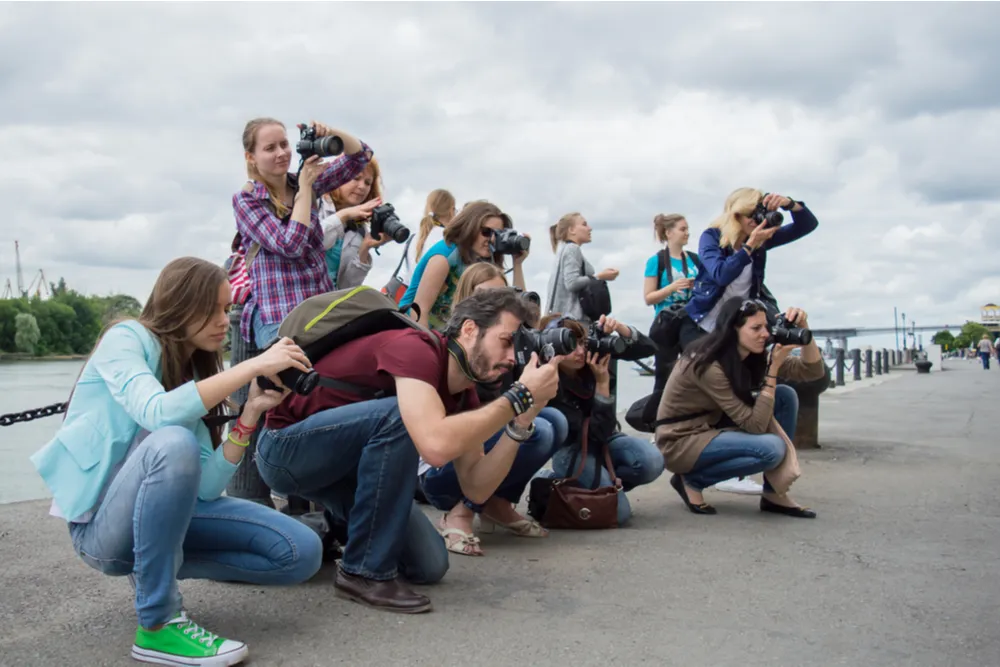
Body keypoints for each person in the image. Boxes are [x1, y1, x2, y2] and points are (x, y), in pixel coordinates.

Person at [30, 257, 323, 667]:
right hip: (101, 532)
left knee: (300, 552)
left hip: (155, 522)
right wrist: (252, 365)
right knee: (172, 441)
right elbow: (156, 413)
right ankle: (158, 623)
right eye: (215, 309)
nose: (225, 321)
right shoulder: (126, 338)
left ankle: (157, 566)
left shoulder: (188, 378)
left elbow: (204, 489)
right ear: (182, 303)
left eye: (228, 309)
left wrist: (249, 415)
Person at [255, 288, 561, 613]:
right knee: (397, 415)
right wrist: (518, 396)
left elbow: (475, 487)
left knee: (429, 565)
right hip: (285, 451)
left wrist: (522, 420)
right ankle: (363, 572)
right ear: (470, 329)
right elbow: (435, 446)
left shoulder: (462, 394)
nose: (513, 358)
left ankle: (328, 527)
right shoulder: (414, 348)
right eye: (506, 340)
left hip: (342, 470)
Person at [677, 189, 818, 495]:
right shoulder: (712, 238)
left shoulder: (762, 236)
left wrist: (791, 205)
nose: (760, 222)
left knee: (760, 391)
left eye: (762, 215)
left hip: (737, 329)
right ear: (737, 217)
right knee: (718, 397)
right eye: (753, 216)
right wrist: (749, 248)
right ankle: (705, 467)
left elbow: (808, 225)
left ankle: (774, 487)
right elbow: (719, 275)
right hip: (704, 327)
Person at [418, 265, 559, 556]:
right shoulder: (432, 355)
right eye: (487, 297)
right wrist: (519, 397)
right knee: (538, 429)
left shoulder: (498, 356)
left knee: (547, 421)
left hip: (465, 463)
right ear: (470, 319)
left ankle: (497, 503)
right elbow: (440, 444)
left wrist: (526, 413)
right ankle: (460, 514)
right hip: (428, 469)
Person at [656, 297, 825, 518]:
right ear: (732, 330)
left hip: (710, 429)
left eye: (766, 327)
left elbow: (812, 372)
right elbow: (754, 426)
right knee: (771, 449)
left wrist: (805, 329)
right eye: (756, 328)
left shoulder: (752, 356)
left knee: (785, 396)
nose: (765, 334)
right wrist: (773, 370)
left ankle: (774, 494)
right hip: (680, 441)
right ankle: (691, 480)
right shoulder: (708, 364)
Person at [233, 117, 373, 348]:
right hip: (279, 315)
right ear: (251, 157)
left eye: (284, 144)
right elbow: (291, 245)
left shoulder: (301, 180)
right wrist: (306, 188)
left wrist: (330, 131)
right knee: (293, 377)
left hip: (320, 308)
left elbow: (361, 156)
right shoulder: (247, 199)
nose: (281, 153)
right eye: (270, 148)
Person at [535, 314, 663, 526]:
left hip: (604, 440)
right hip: (572, 449)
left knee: (651, 460)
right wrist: (602, 384)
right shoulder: (548, 381)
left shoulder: (593, 358)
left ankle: (601, 485)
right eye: (569, 344)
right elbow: (592, 433)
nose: (579, 351)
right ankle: (550, 478)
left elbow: (649, 348)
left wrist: (621, 328)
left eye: (582, 343)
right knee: (619, 514)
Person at [399, 201, 528, 331]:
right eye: (486, 232)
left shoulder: (485, 260)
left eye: (498, 234)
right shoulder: (445, 256)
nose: (492, 239)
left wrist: (517, 264)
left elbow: (515, 308)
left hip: (448, 336)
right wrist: (428, 347)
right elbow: (419, 310)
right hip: (412, 329)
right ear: (469, 227)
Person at [643, 213, 701, 396]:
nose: (687, 233)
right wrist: (672, 288)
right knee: (664, 375)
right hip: (666, 324)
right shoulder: (656, 261)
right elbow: (648, 297)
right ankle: (658, 417)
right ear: (668, 233)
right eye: (683, 229)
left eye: (688, 229)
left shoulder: (695, 259)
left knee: (696, 370)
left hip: (691, 322)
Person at [318, 156, 392, 289]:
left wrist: (365, 248)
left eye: (368, 183)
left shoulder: (360, 228)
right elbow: (309, 245)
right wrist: (343, 215)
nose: (362, 186)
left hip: (329, 304)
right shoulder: (316, 205)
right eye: (356, 178)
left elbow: (348, 286)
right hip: (301, 300)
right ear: (338, 177)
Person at [545, 212, 619, 321]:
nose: (590, 228)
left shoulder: (562, 249)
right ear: (571, 230)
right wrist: (599, 277)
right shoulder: (572, 249)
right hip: (570, 321)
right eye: (584, 224)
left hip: (559, 320)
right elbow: (572, 283)